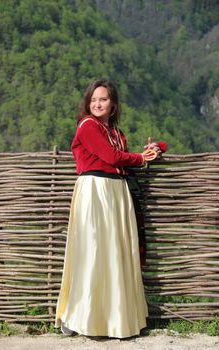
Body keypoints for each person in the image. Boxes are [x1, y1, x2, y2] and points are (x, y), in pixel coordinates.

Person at [55, 78, 166, 338]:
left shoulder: (115, 132)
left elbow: (122, 158)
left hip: (116, 192)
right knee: (92, 252)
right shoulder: (87, 127)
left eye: (103, 99)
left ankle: (115, 318)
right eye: (93, 99)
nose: (97, 103)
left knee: (115, 254)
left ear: (113, 104)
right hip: (95, 192)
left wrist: (153, 150)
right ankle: (80, 317)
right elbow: (112, 157)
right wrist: (142, 158)